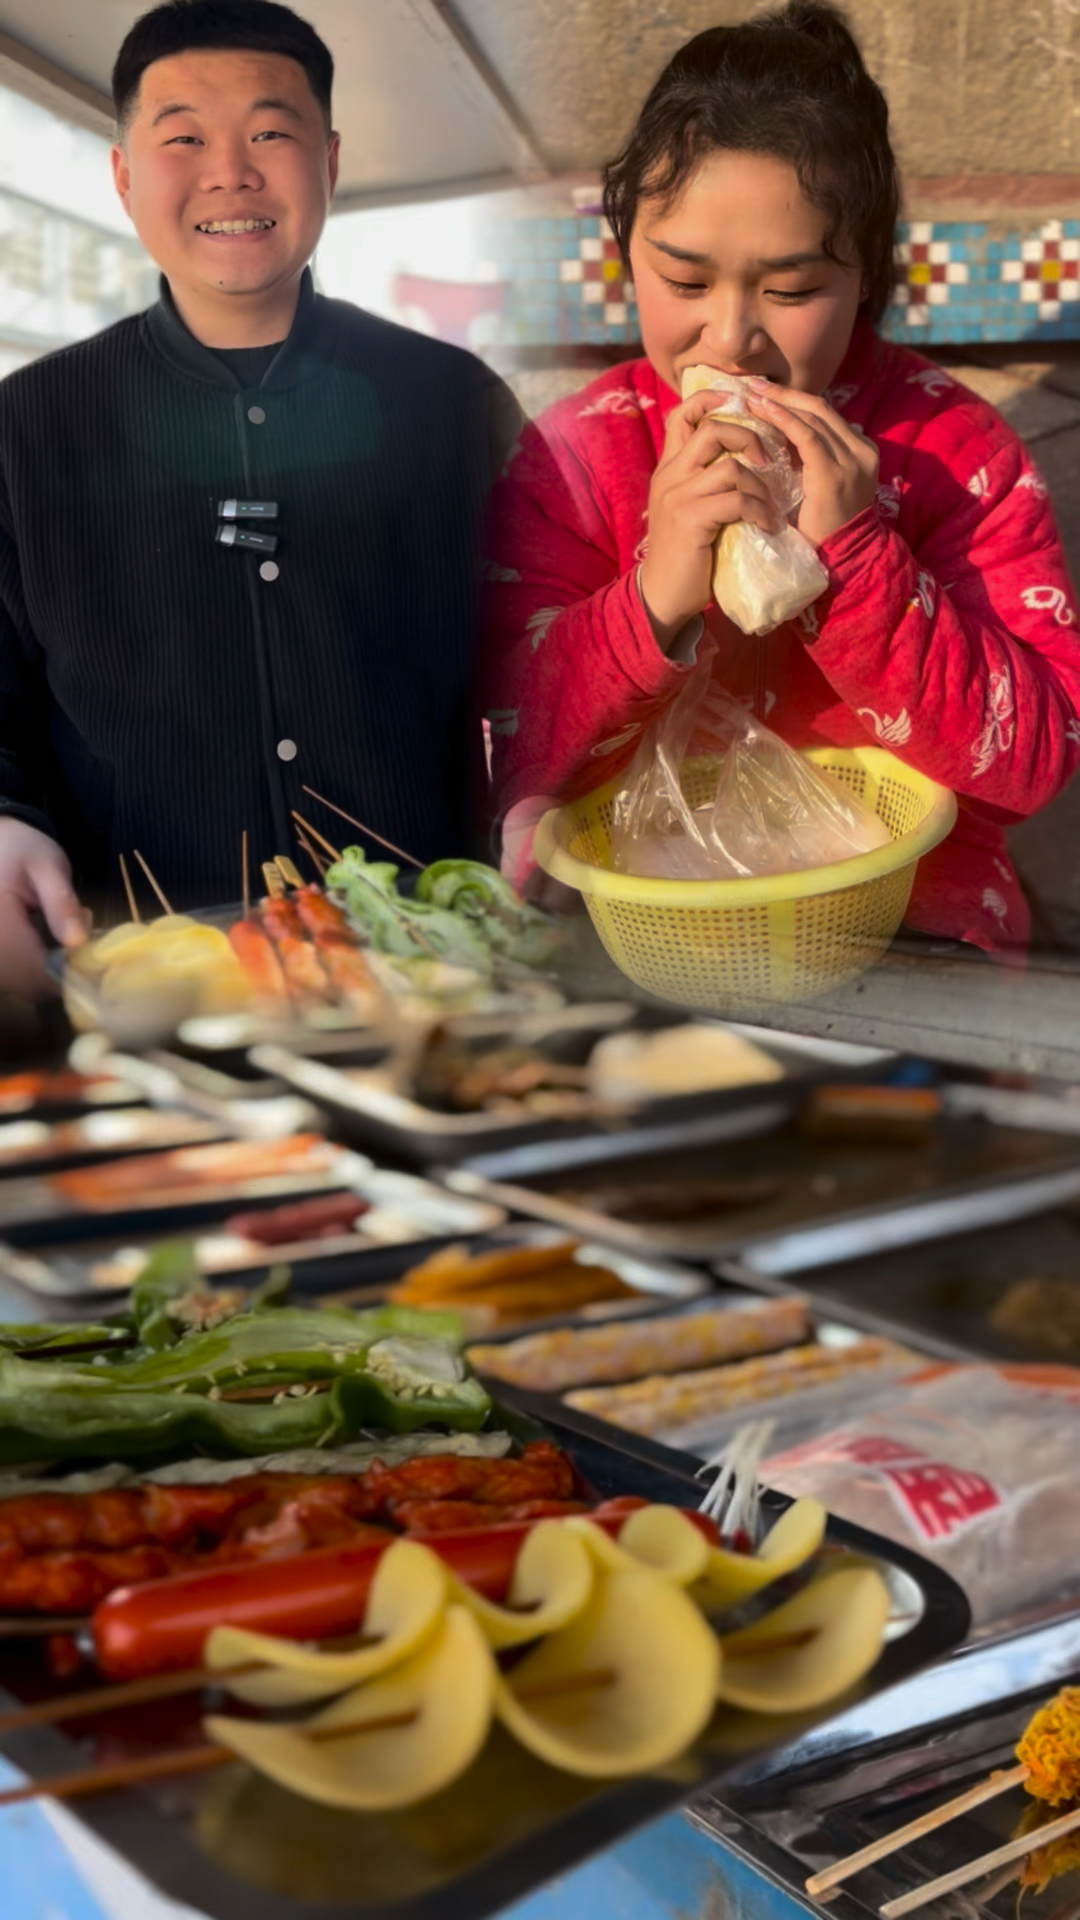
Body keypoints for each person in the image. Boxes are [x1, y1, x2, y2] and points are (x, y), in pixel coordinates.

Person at [480, 0, 1080, 954]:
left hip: (909, 946)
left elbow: (1034, 763)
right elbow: (500, 752)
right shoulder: (575, 461)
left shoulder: (952, 453)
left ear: (867, 276)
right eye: (683, 282)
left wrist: (857, 562)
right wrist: (655, 594)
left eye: (793, 291)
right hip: (644, 950)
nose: (731, 337)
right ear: (626, 253)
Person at [0, 0, 512, 999]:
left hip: (429, 977)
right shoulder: (22, 427)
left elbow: (542, 657)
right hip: (144, 983)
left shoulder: (455, 404)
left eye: (270, 134)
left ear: (327, 162)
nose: (230, 172)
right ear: (124, 175)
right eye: (183, 137)